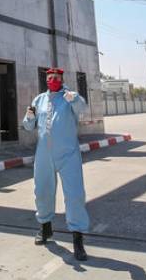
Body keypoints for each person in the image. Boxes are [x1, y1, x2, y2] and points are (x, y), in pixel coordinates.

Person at [22, 68, 89, 261]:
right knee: (42, 190)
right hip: (44, 154)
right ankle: (45, 228)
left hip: (68, 154)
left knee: (75, 194)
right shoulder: (39, 100)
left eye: (57, 78)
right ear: (46, 80)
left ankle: (77, 239)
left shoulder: (69, 96)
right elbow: (28, 125)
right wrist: (29, 117)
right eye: (50, 78)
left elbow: (82, 109)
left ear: (62, 79)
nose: (53, 80)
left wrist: (74, 99)